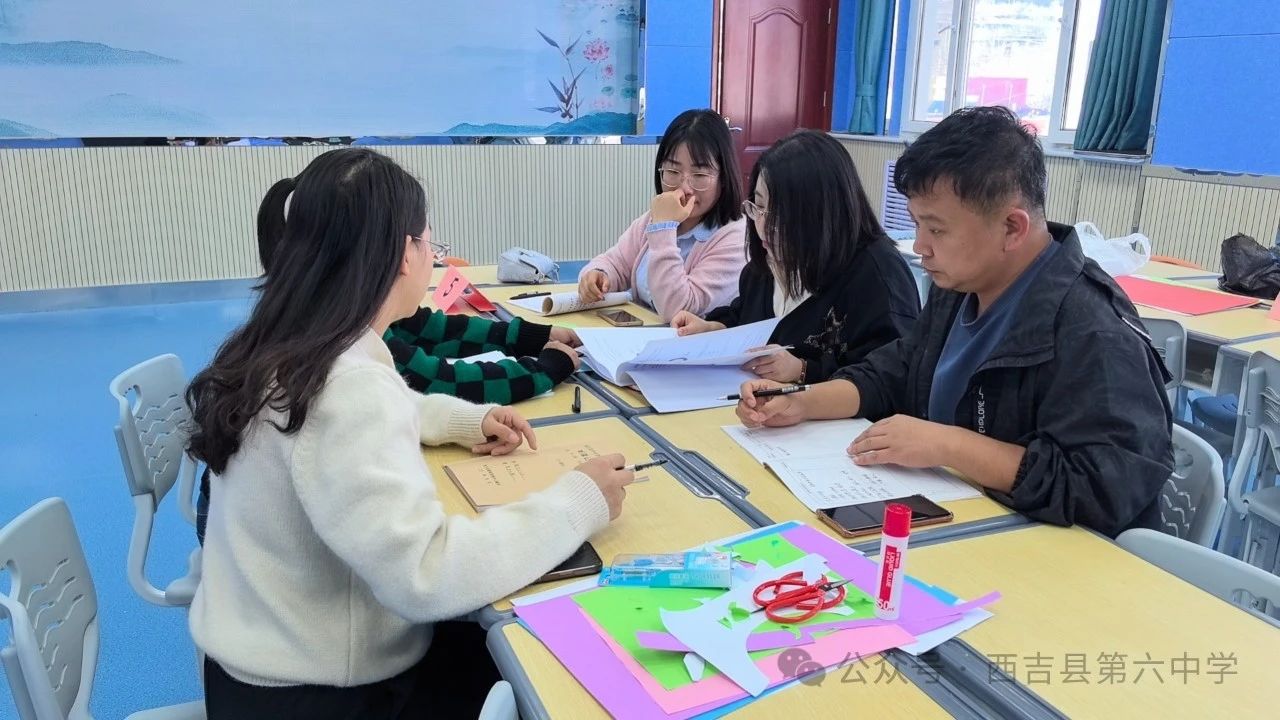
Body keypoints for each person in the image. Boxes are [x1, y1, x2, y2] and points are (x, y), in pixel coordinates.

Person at [185, 148, 633, 719]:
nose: (433, 255)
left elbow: (362, 415)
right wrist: (578, 502)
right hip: (319, 697)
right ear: (404, 254)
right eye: (429, 242)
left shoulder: (293, 343)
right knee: (545, 667)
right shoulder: (346, 387)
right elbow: (428, 574)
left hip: (260, 666)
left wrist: (462, 420)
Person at [735, 107, 1172, 538]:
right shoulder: (961, 286)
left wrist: (950, 445)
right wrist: (802, 401)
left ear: (1012, 228)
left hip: (1060, 557)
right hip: (964, 522)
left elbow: (1106, 488)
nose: (920, 247)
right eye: (917, 225)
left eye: (937, 230)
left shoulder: (1093, 330)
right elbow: (895, 371)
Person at [670, 130, 920, 385]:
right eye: (759, 206)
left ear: (823, 213)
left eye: (781, 215)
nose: (763, 226)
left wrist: (803, 370)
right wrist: (713, 329)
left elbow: (891, 379)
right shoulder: (767, 262)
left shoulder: (877, 274)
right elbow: (744, 315)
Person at [577, 108, 746, 322]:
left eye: (700, 174)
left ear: (724, 177)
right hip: (639, 334)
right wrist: (599, 274)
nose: (685, 188)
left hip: (685, 341)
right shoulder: (655, 218)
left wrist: (664, 228)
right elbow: (617, 261)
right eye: (673, 172)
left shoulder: (735, 237)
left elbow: (678, 309)